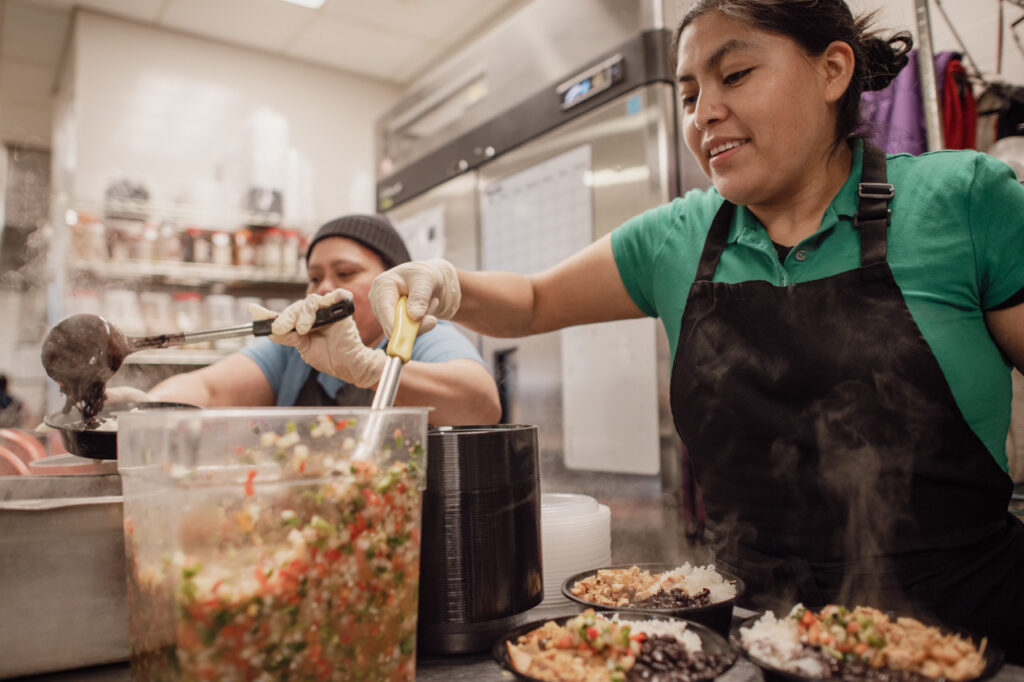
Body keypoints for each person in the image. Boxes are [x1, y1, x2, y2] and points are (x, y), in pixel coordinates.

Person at [369, 0, 1024, 660]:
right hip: (751, 644)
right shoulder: (677, 238)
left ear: (832, 70)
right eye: (688, 95)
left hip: (969, 640)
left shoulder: (963, 201)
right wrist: (444, 284)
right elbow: (533, 301)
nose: (703, 113)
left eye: (734, 75)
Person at [118, 214, 500, 426]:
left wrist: (369, 369)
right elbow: (210, 389)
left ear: (394, 283)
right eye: (315, 278)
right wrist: (145, 410)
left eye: (345, 273)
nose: (323, 288)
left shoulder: (422, 335)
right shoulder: (296, 350)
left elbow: (482, 405)